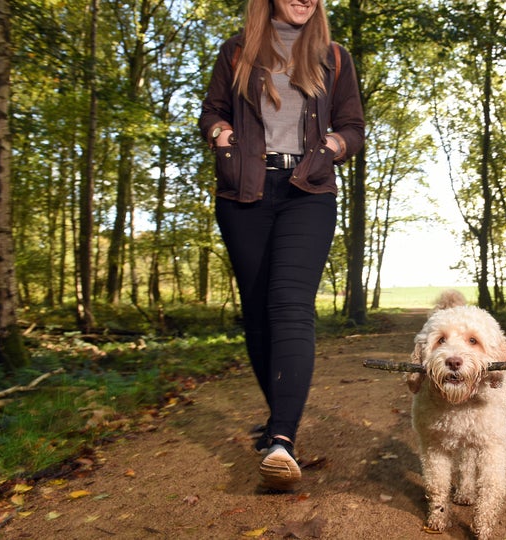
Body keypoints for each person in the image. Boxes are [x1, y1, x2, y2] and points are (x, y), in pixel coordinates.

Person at [198, 0, 364, 490]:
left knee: (290, 305)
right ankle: (277, 418)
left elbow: (353, 126)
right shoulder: (236, 51)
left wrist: (334, 147)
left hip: (306, 190)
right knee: (258, 312)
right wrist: (220, 132)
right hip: (243, 191)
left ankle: (282, 441)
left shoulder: (335, 56)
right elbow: (211, 111)